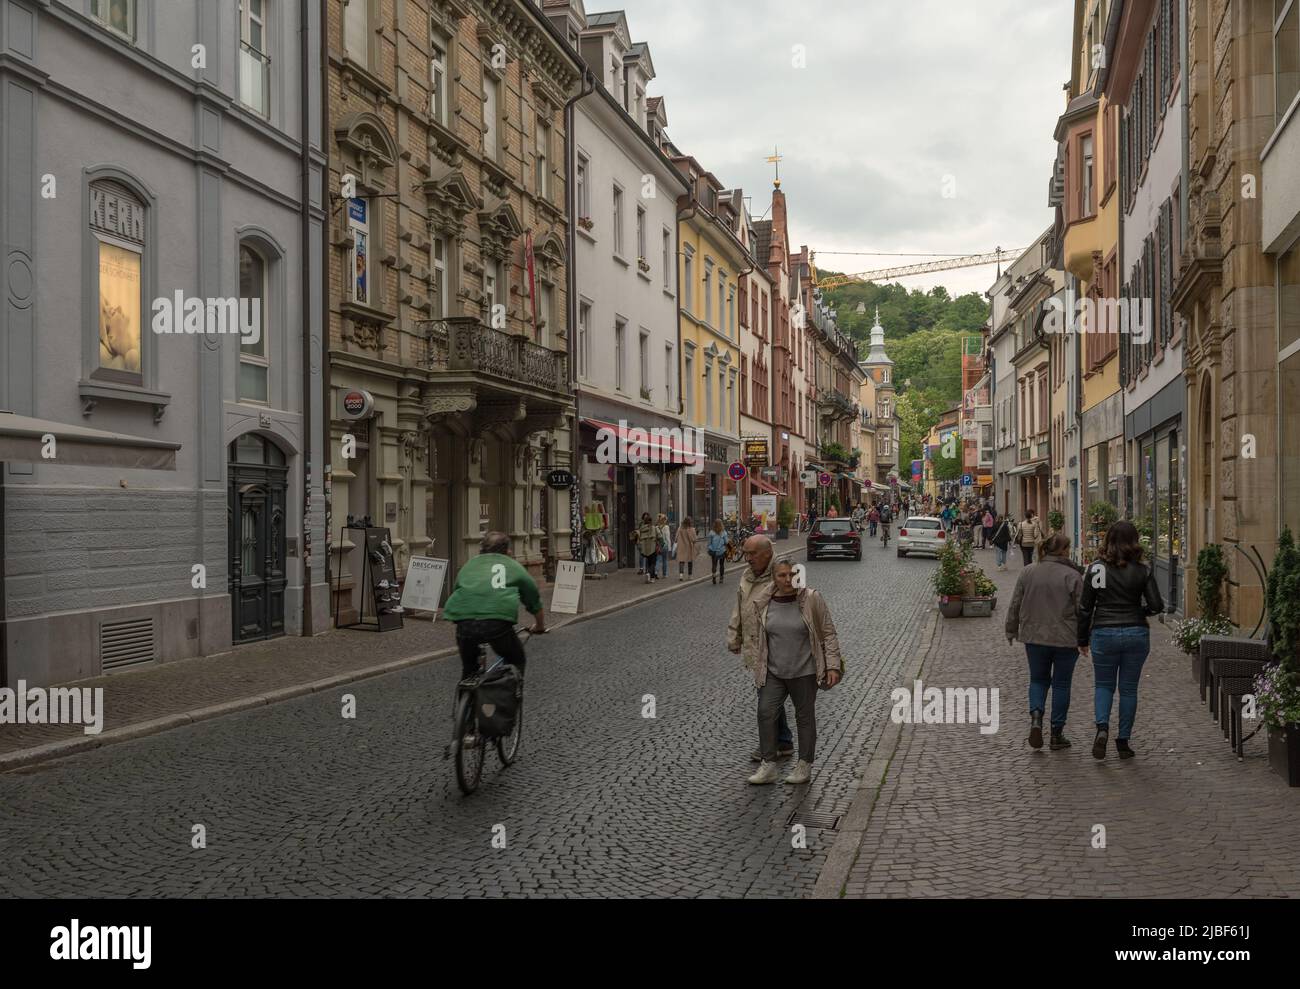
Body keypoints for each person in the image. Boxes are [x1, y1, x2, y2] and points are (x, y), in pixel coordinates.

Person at [746, 560, 844, 785]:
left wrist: (832, 665)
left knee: (805, 717)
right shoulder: (763, 601)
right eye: (781, 575)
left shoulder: (811, 599)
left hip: (805, 671)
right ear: (774, 577)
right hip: (773, 671)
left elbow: (828, 633)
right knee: (765, 712)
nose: (787, 579)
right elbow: (758, 635)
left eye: (791, 574)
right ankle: (768, 765)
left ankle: (804, 765)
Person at [1078, 520, 1164, 761]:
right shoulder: (1143, 570)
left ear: (1108, 541)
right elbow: (1157, 605)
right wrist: (1139, 612)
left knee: (1104, 685)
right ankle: (1123, 741)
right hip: (1136, 632)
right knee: (1128, 689)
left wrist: (1082, 638)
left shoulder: (1096, 569)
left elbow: (1085, 607)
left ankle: (1102, 728)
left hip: (1104, 632)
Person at [1005, 534, 1083, 751]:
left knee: (1038, 680)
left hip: (1034, 636)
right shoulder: (1072, 575)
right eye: (1068, 548)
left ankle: (1037, 717)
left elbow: (1015, 604)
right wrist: (1086, 636)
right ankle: (1056, 733)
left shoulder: (1028, 571)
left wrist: (1011, 630)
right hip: (1066, 638)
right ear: (1063, 550)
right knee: (1061, 684)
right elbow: (1082, 610)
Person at [442, 531, 546, 681]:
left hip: (464, 622)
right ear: (507, 551)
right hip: (497, 624)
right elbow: (534, 600)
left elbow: (458, 589)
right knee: (516, 659)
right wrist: (540, 626)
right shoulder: (513, 566)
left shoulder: (469, 565)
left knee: (469, 668)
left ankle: (464, 698)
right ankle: (508, 699)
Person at [726, 535, 794, 762]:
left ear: (767, 553)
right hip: (755, 646)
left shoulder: (783, 574)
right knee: (768, 695)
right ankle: (784, 741)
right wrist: (734, 636)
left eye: (752, 554)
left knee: (767, 699)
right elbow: (740, 606)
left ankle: (771, 746)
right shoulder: (747, 576)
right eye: (745, 553)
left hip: (776, 647)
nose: (747, 558)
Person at [633, 512, 659, 583]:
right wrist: (661, 544)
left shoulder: (641, 529)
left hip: (644, 549)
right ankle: (651, 576)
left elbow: (637, 537)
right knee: (653, 563)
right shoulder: (654, 528)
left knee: (648, 562)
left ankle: (648, 574)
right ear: (651, 521)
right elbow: (660, 537)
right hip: (653, 548)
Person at [677, 516, 699, 581]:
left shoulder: (680, 529)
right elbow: (694, 539)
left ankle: (681, 575)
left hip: (681, 547)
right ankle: (690, 575)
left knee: (681, 560)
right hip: (689, 547)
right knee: (690, 561)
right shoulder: (692, 529)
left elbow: (676, 538)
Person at [707, 518, 728, 584]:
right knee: (721, 564)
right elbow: (726, 542)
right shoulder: (723, 532)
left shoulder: (711, 532)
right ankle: (721, 578)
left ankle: (714, 577)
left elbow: (709, 543)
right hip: (722, 551)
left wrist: (711, 548)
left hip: (714, 551)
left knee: (714, 564)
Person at [655, 513, 672, 579]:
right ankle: (664, 574)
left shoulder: (656, 527)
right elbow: (668, 538)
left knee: (658, 560)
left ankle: (656, 572)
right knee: (665, 560)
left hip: (658, 546)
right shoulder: (666, 527)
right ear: (664, 520)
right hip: (664, 545)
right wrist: (670, 548)